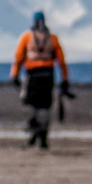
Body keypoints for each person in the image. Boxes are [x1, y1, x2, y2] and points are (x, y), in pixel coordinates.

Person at [11, 11, 70, 150]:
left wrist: (14, 75)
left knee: (31, 104)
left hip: (32, 76)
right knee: (44, 107)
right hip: (47, 76)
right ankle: (42, 135)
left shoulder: (27, 37)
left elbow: (18, 58)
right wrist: (65, 79)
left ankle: (35, 131)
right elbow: (61, 61)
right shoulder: (52, 39)